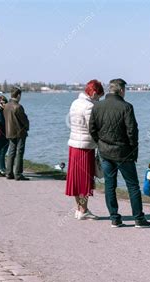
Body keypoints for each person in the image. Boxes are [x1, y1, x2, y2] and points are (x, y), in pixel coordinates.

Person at [89, 78, 150, 228]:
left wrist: (101, 143)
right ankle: (138, 218)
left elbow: (92, 129)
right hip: (123, 153)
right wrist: (133, 150)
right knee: (132, 186)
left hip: (105, 152)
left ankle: (115, 219)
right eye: (125, 90)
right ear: (122, 90)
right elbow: (132, 132)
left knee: (110, 185)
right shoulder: (126, 107)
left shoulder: (97, 106)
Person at [65, 79, 104, 220]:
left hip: (74, 145)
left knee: (76, 179)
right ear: (93, 93)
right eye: (98, 96)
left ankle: (79, 209)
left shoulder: (75, 103)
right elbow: (92, 127)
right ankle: (84, 210)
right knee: (85, 180)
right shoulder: (89, 106)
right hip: (85, 147)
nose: (99, 99)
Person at [3, 87, 30, 181]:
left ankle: (9, 173)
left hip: (9, 131)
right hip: (19, 132)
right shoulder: (18, 107)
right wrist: (27, 127)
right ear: (18, 95)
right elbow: (24, 120)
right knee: (19, 153)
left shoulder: (6, 106)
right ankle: (18, 174)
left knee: (11, 152)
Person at [0, 95, 9, 173]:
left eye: (4, 102)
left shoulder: (4, 110)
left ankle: (0, 167)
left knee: (2, 151)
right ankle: (2, 168)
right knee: (2, 151)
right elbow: (2, 122)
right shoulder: (0, 111)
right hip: (2, 133)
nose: (3, 104)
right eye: (1, 103)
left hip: (3, 132)